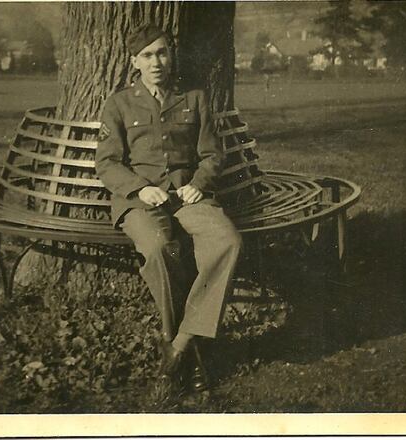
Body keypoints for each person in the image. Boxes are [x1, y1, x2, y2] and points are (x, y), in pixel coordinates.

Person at [95, 23, 243, 405]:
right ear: (134, 62)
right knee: (161, 248)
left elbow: (213, 154)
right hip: (140, 201)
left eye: (161, 53)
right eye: (147, 55)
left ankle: (177, 346)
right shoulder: (119, 104)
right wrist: (140, 187)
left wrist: (200, 181)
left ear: (171, 56)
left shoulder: (194, 97)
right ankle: (189, 355)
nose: (156, 62)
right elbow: (107, 163)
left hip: (189, 196)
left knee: (227, 241)